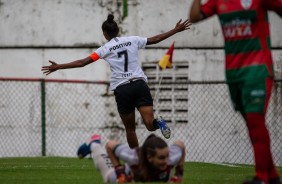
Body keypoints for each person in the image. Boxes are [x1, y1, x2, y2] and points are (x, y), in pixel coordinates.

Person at [42, 14, 192, 149]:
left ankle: (135, 160)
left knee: (130, 129)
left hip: (122, 88)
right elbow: (154, 39)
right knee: (149, 123)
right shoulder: (133, 40)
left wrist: (58, 66)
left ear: (105, 34)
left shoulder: (104, 49)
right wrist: (175, 30)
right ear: (118, 30)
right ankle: (159, 123)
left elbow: (83, 62)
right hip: (140, 84)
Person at [189, 1, 282, 184]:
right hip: (233, 73)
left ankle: (261, 177)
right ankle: (272, 176)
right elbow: (195, 17)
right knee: (251, 124)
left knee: (256, 121)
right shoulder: (218, 2)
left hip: (258, 69)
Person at [77, 133, 186, 183]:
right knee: (108, 177)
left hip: (152, 175)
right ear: (149, 158)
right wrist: (120, 172)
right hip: (130, 175)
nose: (167, 161)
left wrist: (179, 175)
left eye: (167, 156)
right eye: (161, 158)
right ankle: (94, 144)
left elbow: (180, 145)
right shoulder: (133, 157)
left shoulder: (172, 157)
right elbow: (110, 145)